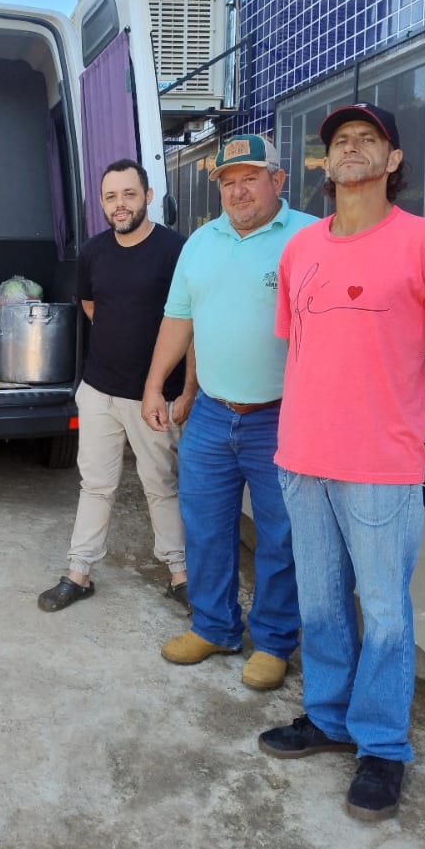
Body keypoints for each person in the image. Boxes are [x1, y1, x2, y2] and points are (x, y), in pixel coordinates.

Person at [258, 104, 425, 822]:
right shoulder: (299, 249)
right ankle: (327, 717)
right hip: (301, 457)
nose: (349, 150)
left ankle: (382, 744)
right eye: (338, 143)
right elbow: (297, 351)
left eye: (366, 141)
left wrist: (403, 418)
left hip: (381, 464)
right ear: (325, 165)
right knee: (321, 602)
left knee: (383, 609)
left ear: (390, 161)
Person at [142, 134, 313, 690]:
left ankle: (273, 641)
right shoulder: (201, 243)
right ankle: (215, 626)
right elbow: (178, 320)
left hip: (282, 415)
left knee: (280, 534)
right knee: (206, 528)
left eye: (250, 178)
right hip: (213, 412)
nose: (238, 191)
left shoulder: (311, 237)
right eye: (227, 181)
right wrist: (155, 387)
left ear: (278, 180)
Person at [37, 158, 196, 614]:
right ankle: (79, 572)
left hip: (155, 396)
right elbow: (90, 303)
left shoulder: (175, 250)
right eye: (111, 197)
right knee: (95, 484)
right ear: (102, 205)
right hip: (99, 389)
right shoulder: (93, 251)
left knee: (161, 484)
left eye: (129, 194)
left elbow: (189, 325)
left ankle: (180, 574)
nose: (120, 204)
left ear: (147, 196)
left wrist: (187, 390)